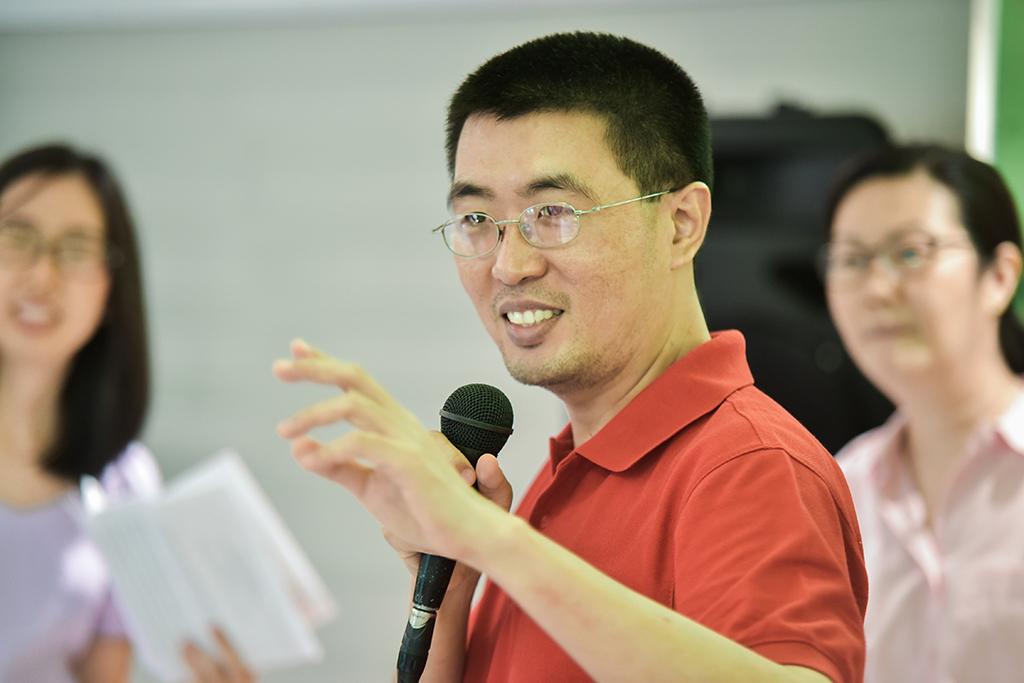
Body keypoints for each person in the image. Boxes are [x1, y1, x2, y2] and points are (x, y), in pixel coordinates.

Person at [275, 33, 867, 682]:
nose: (509, 264)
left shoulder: (749, 466)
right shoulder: (568, 472)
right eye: (477, 220)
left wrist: (492, 540)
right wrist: (452, 582)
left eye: (552, 213)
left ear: (681, 223)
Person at [0, 143, 252, 683]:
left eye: (75, 249)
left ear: (111, 288)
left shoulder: (123, 484)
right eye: (17, 237)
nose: (42, 276)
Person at [822, 144, 1024, 682]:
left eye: (910, 253)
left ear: (1000, 276)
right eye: (852, 260)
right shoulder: (840, 491)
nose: (876, 289)